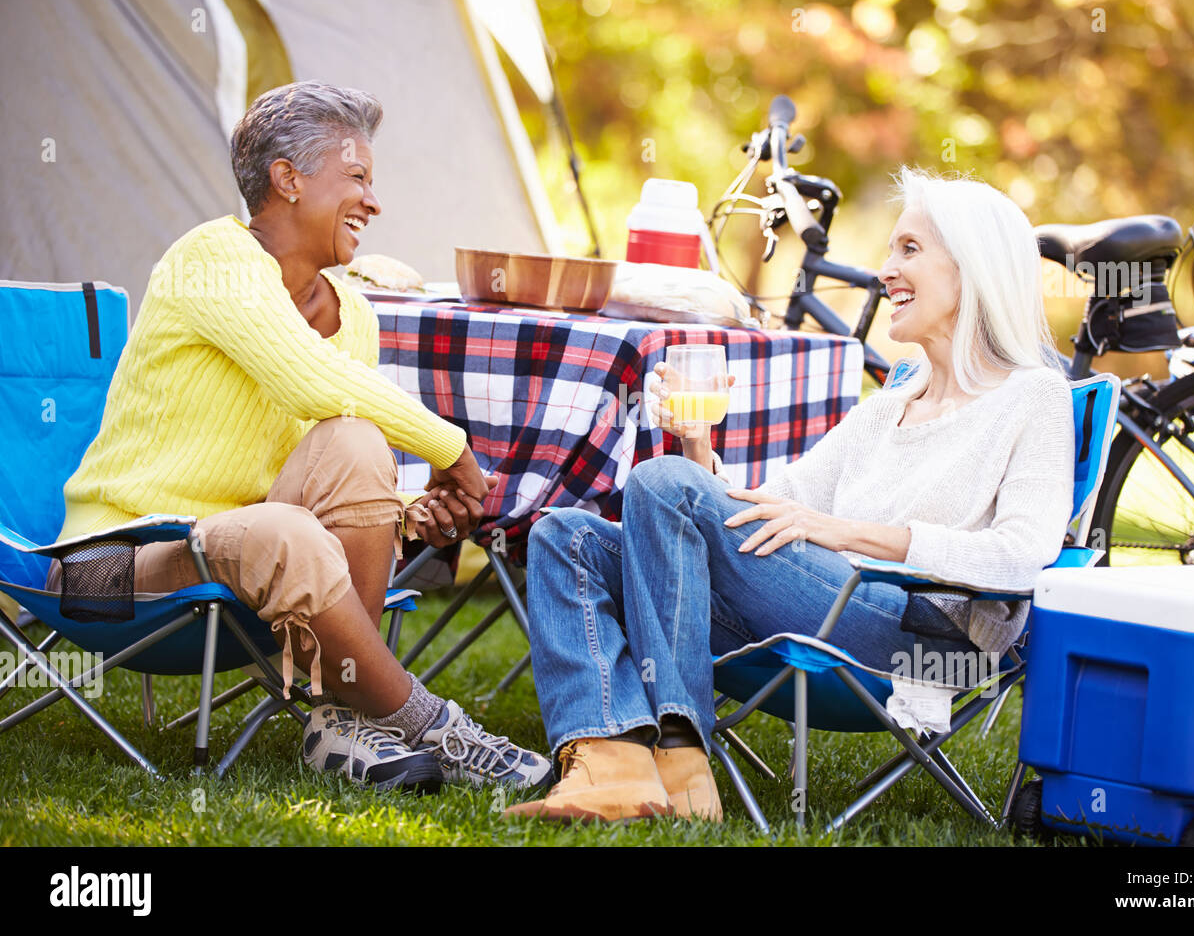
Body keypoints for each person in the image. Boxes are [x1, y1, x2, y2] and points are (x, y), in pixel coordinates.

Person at [504, 168, 1075, 823]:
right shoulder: (883, 411)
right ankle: (610, 766)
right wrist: (695, 445)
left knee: (666, 487)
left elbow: (1026, 558)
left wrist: (843, 533)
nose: (885, 269)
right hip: (824, 606)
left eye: (910, 249)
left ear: (974, 266)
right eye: (890, 250)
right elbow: (762, 511)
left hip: (924, 634)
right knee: (564, 536)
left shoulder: (1033, 395)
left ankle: (684, 765)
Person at [49, 81, 550, 794]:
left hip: (237, 548)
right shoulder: (209, 258)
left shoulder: (355, 315)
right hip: (107, 570)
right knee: (289, 517)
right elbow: (303, 378)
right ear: (287, 179)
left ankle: (339, 718)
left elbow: (319, 469)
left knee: (355, 442)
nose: (374, 203)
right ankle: (434, 724)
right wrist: (454, 450)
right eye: (357, 178)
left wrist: (407, 515)